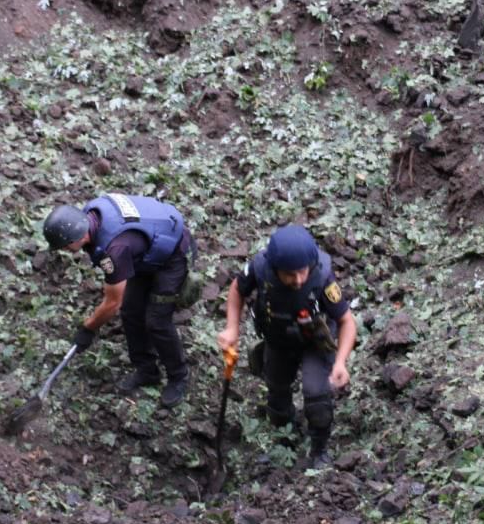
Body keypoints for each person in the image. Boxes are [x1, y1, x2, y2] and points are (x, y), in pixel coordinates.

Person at [216, 224, 356, 469]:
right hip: (278, 339)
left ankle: (319, 449)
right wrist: (232, 327)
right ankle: (285, 443)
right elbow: (237, 290)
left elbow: (346, 321)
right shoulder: (260, 268)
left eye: (302, 272)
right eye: (290, 274)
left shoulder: (322, 278)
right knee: (277, 393)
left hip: (315, 342)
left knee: (316, 393)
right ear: (276, 268)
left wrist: (341, 361)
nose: (298, 280)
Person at [42, 193, 195, 408]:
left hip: (172, 255)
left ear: (78, 238)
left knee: (157, 321)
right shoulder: (90, 216)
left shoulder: (113, 250)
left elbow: (112, 302)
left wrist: (88, 328)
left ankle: (179, 376)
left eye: (66, 247)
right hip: (145, 251)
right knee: (131, 311)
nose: (66, 252)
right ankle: (147, 370)